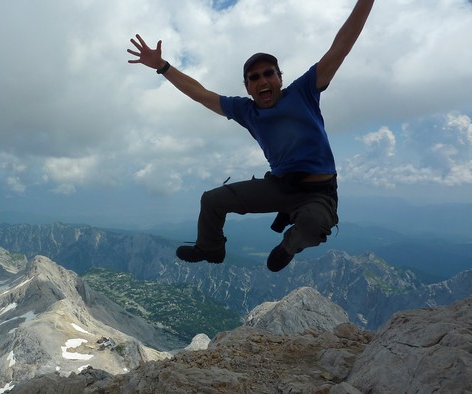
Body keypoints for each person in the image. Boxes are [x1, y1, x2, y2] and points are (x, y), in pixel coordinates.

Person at [127, 0, 375, 272]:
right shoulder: (246, 111)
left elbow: (341, 46)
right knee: (212, 200)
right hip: (279, 186)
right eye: (254, 77)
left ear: (280, 78)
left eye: (269, 73)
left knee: (312, 226)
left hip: (318, 192)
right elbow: (200, 93)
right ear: (247, 87)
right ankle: (210, 247)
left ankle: (289, 246)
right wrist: (162, 66)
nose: (263, 81)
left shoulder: (303, 92)